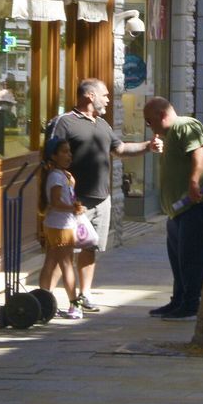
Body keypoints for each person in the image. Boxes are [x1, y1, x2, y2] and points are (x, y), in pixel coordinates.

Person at [48, 78, 155, 311]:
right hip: (75, 202)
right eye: (105, 95)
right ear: (90, 96)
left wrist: (147, 146)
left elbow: (121, 150)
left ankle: (85, 294)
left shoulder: (103, 124)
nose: (108, 99)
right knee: (62, 252)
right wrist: (61, 194)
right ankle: (46, 299)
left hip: (101, 199)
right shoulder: (64, 123)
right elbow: (48, 156)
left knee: (90, 249)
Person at [144, 96, 203, 320]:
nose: (150, 126)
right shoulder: (171, 134)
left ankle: (191, 303)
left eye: (149, 121)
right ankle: (179, 299)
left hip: (195, 204)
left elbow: (200, 151)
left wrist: (194, 181)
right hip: (178, 209)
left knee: (191, 257)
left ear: (161, 115)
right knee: (179, 258)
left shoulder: (185, 125)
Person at [39, 136, 85, 319]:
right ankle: (74, 303)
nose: (69, 155)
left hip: (58, 224)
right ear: (53, 156)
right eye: (64, 152)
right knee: (67, 265)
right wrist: (74, 208)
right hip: (61, 226)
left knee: (51, 262)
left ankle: (43, 300)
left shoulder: (62, 175)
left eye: (69, 151)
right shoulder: (56, 176)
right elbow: (56, 202)